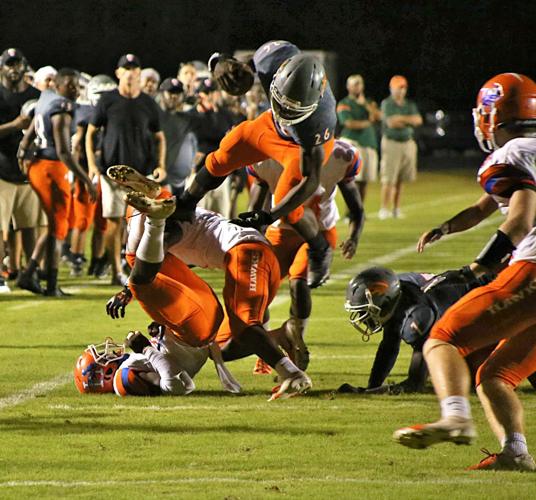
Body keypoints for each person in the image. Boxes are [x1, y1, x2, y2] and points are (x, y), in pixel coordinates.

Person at [393, 73, 536, 472]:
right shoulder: (529, 152)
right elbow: (483, 208)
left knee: (441, 340)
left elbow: (520, 219)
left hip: (533, 270)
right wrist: (446, 228)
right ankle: (515, 452)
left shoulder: (511, 156)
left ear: (493, 116)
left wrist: (476, 268)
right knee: (496, 374)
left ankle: (455, 416)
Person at [104, 175, 311, 399]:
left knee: (244, 325)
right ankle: (281, 336)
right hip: (251, 255)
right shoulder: (174, 217)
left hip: (247, 253)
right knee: (225, 347)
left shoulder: (172, 221)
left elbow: (159, 248)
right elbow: (166, 263)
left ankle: (292, 375)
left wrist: (129, 290)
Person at [179, 41, 337, 289]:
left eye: (293, 107)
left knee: (288, 201)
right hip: (270, 127)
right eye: (282, 101)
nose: (285, 109)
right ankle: (185, 204)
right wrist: (219, 62)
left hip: (300, 145)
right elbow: (244, 63)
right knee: (228, 149)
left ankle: (320, 247)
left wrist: (269, 216)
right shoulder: (273, 58)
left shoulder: (319, 122)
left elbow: (311, 181)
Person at [247, 139, 364, 370]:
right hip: (280, 231)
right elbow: (255, 210)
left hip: (318, 234)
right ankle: (267, 345)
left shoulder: (340, 156)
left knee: (299, 282)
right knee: (258, 289)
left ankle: (295, 337)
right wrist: (252, 241)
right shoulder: (264, 157)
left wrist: (353, 238)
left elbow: (357, 208)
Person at [340, 267, 492, 395]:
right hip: (474, 303)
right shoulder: (398, 293)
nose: (361, 318)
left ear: (384, 301)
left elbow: (415, 384)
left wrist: (372, 393)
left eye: (364, 311)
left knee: (478, 381)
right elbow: (389, 346)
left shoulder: (418, 313)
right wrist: (371, 387)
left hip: (491, 304)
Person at [86, 53, 166, 285]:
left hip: (140, 175)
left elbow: (160, 137)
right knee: (113, 222)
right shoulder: (108, 100)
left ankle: (135, 268)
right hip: (111, 173)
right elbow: (90, 133)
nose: (131, 72)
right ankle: (114, 272)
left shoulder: (148, 103)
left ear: (140, 73)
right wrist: (91, 164)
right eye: (126, 68)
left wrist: (161, 164)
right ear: (118, 73)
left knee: (140, 225)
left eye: (134, 68)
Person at [17, 68, 96, 296]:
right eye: (69, 85)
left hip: (40, 165)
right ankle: (45, 282)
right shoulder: (62, 107)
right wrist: (86, 180)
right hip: (52, 167)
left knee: (54, 226)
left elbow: (29, 135)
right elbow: (63, 151)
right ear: (58, 85)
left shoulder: (45, 98)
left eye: (76, 85)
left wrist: (22, 155)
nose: (74, 89)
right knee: (59, 226)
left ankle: (34, 276)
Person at [74, 325, 240, 396]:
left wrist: (158, 333)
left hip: (185, 344)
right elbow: (176, 385)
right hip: (186, 346)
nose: (110, 353)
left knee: (242, 327)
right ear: (106, 373)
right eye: (103, 358)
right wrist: (146, 349)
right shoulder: (121, 380)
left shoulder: (126, 368)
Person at [0, 48, 41, 293]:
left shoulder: (37, 95)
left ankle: (30, 274)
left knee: (29, 226)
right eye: (9, 64)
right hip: (2, 170)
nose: (14, 69)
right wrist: (15, 125)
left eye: (17, 64)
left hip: (29, 171)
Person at [379, 75, 422, 219]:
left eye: (403, 88)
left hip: (407, 142)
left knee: (400, 178)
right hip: (392, 142)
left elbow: (418, 120)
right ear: (392, 89)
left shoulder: (409, 104)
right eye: (398, 88)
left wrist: (401, 119)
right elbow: (391, 123)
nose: (401, 91)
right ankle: (384, 208)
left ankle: (396, 209)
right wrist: (408, 120)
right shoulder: (387, 103)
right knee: (389, 178)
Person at [337, 74, 381, 203]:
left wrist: (365, 105)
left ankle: (359, 209)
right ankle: (350, 211)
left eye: (360, 84)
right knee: (352, 180)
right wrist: (368, 123)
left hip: (368, 143)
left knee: (364, 181)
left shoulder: (368, 102)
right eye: (355, 84)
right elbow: (349, 123)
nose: (358, 87)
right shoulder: (344, 103)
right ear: (348, 87)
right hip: (353, 143)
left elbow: (378, 116)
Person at [157, 77, 198, 196]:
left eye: (177, 93)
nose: (174, 96)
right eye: (170, 92)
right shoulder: (154, 116)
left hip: (182, 183)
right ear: (162, 93)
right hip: (160, 178)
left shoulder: (186, 118)